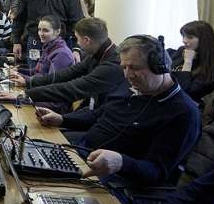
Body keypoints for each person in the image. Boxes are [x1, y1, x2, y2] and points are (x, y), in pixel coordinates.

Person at [34, 35, 201, 190]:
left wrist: (122, 163)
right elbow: (97, 115)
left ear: (160, 67)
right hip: (83, 154)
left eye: (135, 68)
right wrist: (62, 119)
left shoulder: (182, 114)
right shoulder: (129, 84)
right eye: (124, 67)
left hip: (117, 180)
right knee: (31, 161)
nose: (127, 74)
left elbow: (157, 171)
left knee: (43, 189)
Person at [0, 17, 130, 111]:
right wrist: (28, 84)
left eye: (77, 39)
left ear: (87, 40)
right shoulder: (97, 55)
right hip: (88, 114)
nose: (76, 43)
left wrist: (25, 94)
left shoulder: (112, 64)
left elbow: (72, 87)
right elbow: (64, 75)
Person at [12, 0, 84, 69]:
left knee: (60, 78)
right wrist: (16, 41)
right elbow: (19, 18)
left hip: (62, 43)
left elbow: (77, 21)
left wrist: (76, 48)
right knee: (34, 76)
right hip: (36, 42)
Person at [8, 15, 76, 113]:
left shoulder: (62, 54)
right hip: (41, 94)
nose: (41, 33)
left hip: (52, 104)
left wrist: (26, 81)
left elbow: (49, 84)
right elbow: (37, 71)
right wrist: (18, 71)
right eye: (39, 29)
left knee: (11, 105)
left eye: (45, 30)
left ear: (57, 31)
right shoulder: (49, 46)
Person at [166, 20, 214, 102]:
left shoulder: (213, 66)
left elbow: (185, 91)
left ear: (203, 39)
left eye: (190, 37)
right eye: (183, 36)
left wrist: (188, 61)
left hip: (183, 103)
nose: (184, 40)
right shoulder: (181, 51)